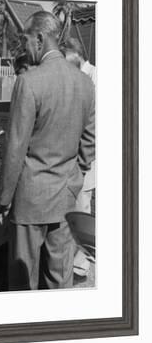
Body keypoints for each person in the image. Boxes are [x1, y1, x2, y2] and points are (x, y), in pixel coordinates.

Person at [0, 11, 95, 291]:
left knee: (23, 278)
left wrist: (3, 200)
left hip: (30, 198)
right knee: (59, 278)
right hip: (65, 195)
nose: (24, 48)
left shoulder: (30, 81)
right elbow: (89, 142)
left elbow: (16, 148)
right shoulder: (85, 82)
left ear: (39, 38)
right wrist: (75, 181)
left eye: (25, 41)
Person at [61, 37, 97, 214]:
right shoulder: (71, 77)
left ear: (76, 54)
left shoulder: (95, 76)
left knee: (81, 208)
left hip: (86, 158)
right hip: (70, 157)